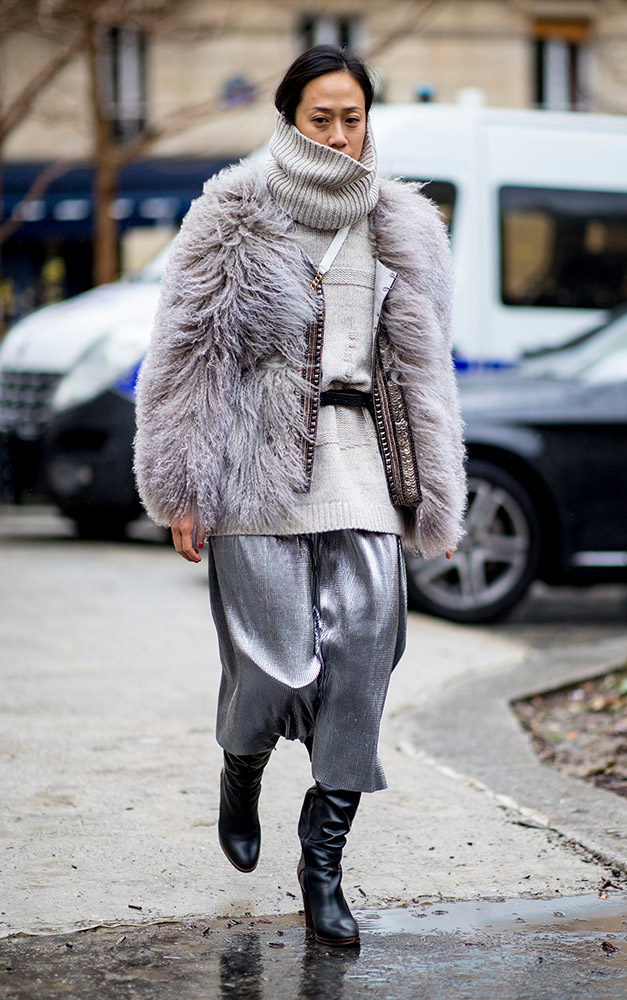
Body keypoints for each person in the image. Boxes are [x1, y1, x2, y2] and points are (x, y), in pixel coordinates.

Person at [134, 44, 466, 947]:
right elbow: (186, 358)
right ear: (288, 119)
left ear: (368, 120)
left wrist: (435, 493)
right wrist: (180, 487)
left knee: (361, 664)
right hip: (253, 468)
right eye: (320, 118)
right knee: (274, 665)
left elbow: (425, 364)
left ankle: (323, 868)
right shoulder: (231, 214)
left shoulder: (402, 222)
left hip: (362, 461)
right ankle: (240, 766)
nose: (338, 133)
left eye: (351, 117)